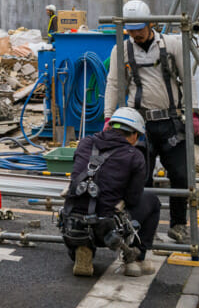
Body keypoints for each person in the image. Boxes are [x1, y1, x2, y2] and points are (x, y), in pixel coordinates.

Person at [104, 0, 190, 243]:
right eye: (130, 30)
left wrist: (193, 112)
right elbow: (113, 84)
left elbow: (189, 79)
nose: (135, 34)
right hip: (137, 124)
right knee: (141, 178)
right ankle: (140, 227)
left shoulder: (171, 45)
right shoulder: (121, 49)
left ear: (151, 23)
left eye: (139, 29)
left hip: (170, 120)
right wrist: (109, 116)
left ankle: (178, 225)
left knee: (180, 175)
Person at [60, 107, 160, 277]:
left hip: (71, 225)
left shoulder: (85, 143)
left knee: (83, 207)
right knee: (152, 201)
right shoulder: (134, 156)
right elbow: (133, 198)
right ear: (134, 135)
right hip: (106, 230)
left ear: (109, 126)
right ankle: (135, 259)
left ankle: (83, 249)